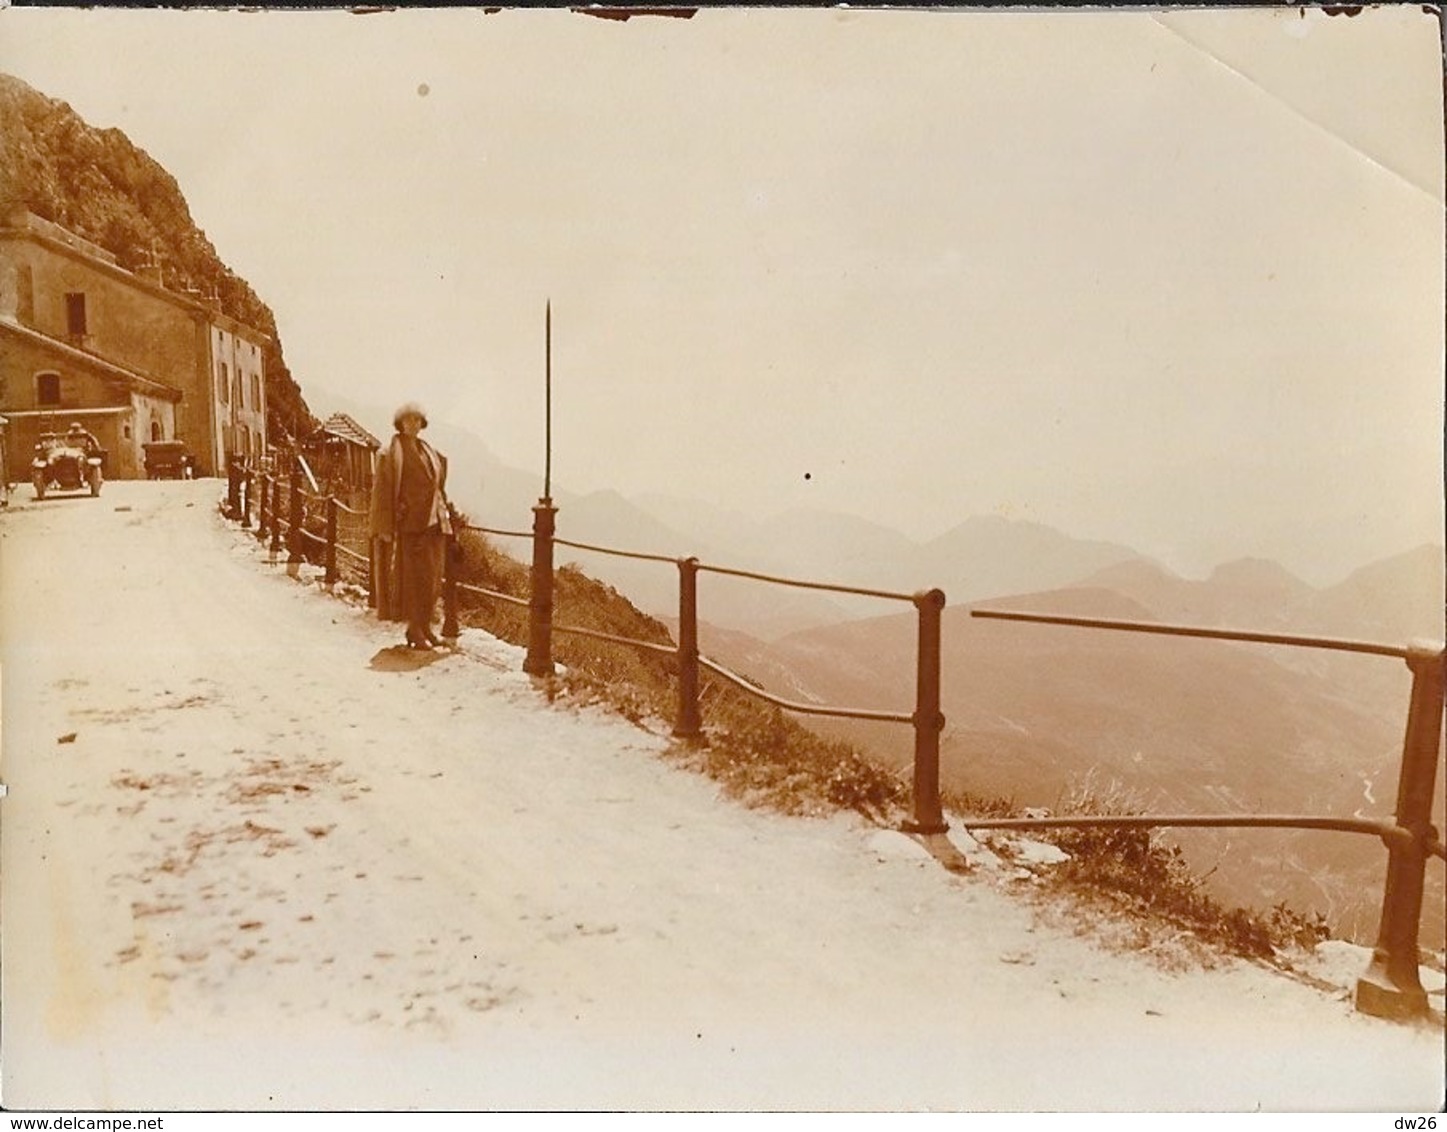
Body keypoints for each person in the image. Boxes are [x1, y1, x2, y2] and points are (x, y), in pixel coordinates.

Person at [369, 402, 453, 649]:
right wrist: (385, 524)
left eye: (417, 420)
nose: (413, 424)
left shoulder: (427, 450)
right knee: (413, 580)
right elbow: (383, 491)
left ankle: (425, 626)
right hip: (410, 526)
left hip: (433, 524)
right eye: (408, 420)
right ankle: (414, 629)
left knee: (432, 579)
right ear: (400, 424)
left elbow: (437, 486)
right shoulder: (392, 453)